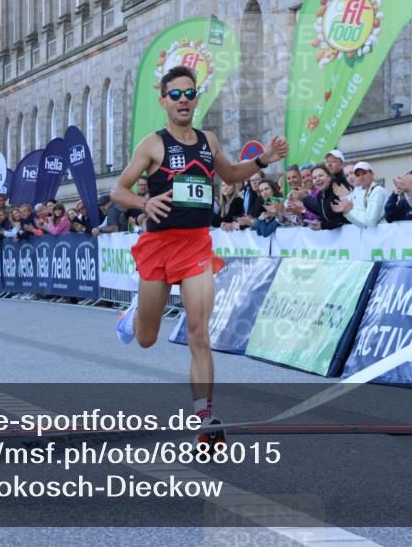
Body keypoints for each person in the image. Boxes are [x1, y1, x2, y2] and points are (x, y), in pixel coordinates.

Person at [111, 65, 288, 451]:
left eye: (190, 94)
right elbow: (118, 192)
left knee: (199, 334)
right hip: (159, 246)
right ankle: (136, 314)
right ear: (163, 101)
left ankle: (204, 419)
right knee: (146, 338)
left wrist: (265, 160)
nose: (184, 100)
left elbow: (231, 173)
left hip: (196, 245)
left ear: (196, 98)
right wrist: (145, 201)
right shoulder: (152, 144)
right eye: (175, 95)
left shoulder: (208, 140)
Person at [333, 161, 386, 227]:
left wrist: (349, 211)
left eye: (364, 173)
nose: (361, 177)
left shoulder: (377, 191)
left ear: (371, 173)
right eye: (358, 175)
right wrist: (346, 212)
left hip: (381, 234)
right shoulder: (363, 192)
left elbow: (370, 221)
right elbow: (361, 223)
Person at [302, 164, 349, 230]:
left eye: (320, 175)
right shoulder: (319, 195)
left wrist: (323, 225)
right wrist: (319, 222)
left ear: (329, 177)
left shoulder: (337, 190)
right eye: (314, 178)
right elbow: (325, 217)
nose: (318, 179)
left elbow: (344, 218)